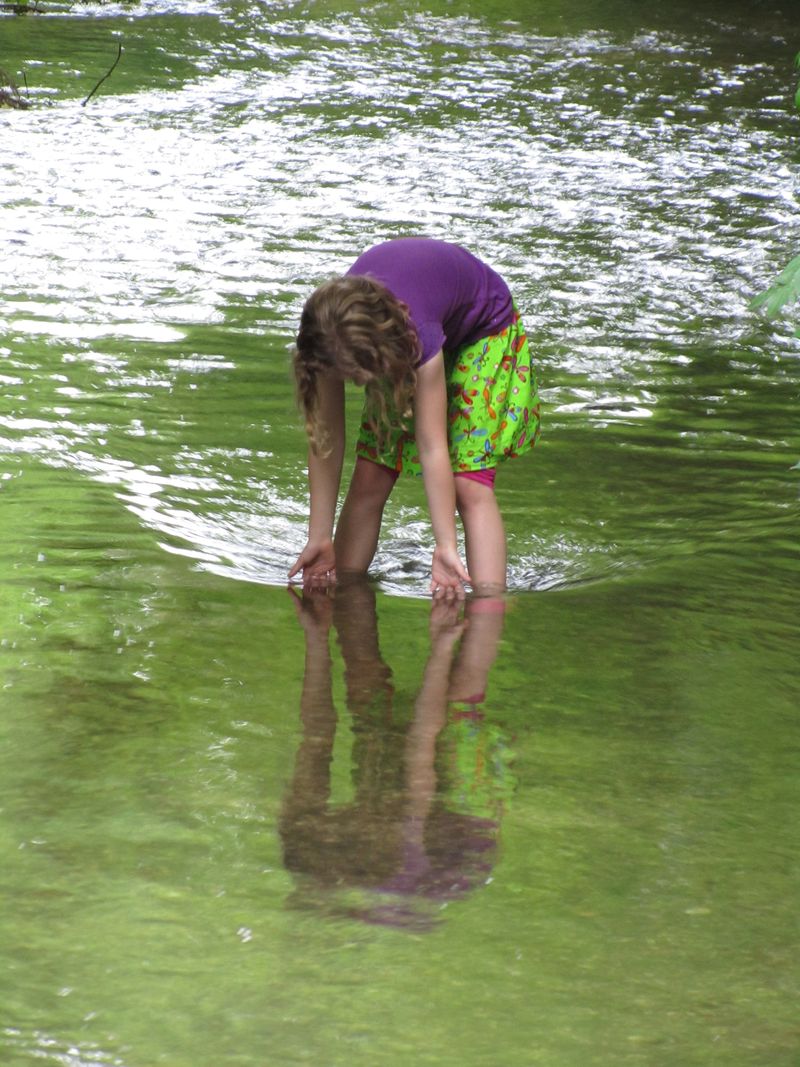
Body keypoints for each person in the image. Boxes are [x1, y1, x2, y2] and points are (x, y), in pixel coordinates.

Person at [288, 237, 540, 595]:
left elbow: (432, 443)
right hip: (401, 332)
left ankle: (488, 605)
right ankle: (342, 595)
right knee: (372, 472)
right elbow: (325, 440)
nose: (356, 386)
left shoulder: (412, 334)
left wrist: (445, 546)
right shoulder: (325, 339)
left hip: (483, 331)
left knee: (468, 482)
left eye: (359, 378)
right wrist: (318, 536)